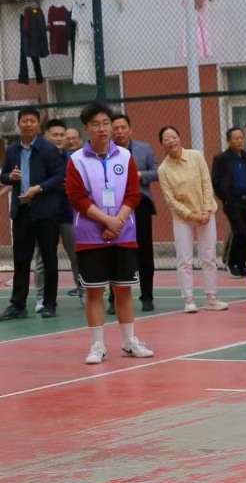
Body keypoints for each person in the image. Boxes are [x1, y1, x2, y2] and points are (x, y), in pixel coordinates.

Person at [65, 102, 154, 364]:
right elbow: (76, 197)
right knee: (95, 292)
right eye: (96, 124)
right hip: (90, 236)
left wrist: (118, 221)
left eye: (106, 124)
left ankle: (129, 341)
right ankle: (98, 345)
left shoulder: (125, 157)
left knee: (123, 290)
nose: (102, 129)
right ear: (86, 128)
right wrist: (106, 221)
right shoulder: (76, 160)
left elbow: (133, 194)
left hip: (124, 234)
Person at [0, 107, 63, 321]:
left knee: (49, 259)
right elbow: (4, 176)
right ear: (18, 123)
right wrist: (11, 176)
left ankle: (49, 303)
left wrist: (39, 188)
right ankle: (17, 305)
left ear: (38, 124)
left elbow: (59, 176)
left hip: (46, 213)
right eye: (24, 121)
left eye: (32, 121)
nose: (28, 124)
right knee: (21, 260)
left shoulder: (48, 148)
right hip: (22, 212)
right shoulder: (12, 149)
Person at [157, 125, 228, 313]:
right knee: (184, 259)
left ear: (180, 138)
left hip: (206, 214)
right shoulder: (163, 169)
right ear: (162, 145)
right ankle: (188, 299)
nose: (171, 141)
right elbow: (171, 200)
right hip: (183, 218)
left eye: (174, 136)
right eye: (166, 139)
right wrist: (191, 215)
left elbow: (206, 183)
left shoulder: (196, 156)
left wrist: (206, 210)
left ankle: (212, 298)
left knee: (209, 256)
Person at [109, 113, 159, 312]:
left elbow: (157, 172)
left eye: (123, 127)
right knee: (115, 252)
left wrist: (139, 175)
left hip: (140, 203)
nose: (120, 131)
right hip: (114, 206)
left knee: (144, 251)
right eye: (116, 128)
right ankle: (114, 299)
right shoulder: (105, 150)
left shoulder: (143, 148)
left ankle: (147, 296)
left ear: (130, 130)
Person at [34, 118, 84, 308]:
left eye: (62, 135)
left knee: (77, 255)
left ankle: (83, 291)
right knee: (43, 258)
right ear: (46, 136)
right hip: (45, 213)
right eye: (55, 135)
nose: (59, 138)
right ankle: (41, 297)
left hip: (68, 213)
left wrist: (70, 185)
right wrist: (53, 184)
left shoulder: (74, 158)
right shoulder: (37, 157)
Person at [212, 127, 246, 277]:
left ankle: (241, 265)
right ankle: (231, 263)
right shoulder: (222, 158)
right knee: (239, 231)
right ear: (228, 141)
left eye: (241, 138)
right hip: (232, 200)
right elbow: (216, 180)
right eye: (236, 138)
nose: (240, 141)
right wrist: (224, 197)